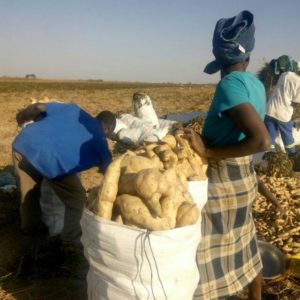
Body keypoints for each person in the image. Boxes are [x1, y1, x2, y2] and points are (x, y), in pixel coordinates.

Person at [184, 11, 271, 300]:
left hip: (224, 182)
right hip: (244, 177)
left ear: (220, 63)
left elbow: (261, 140)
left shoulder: (229, 84)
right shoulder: (254, 84)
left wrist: (208, 151)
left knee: (206, 253)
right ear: (247, 59)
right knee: (245, 242)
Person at [12, 102, 116, 252]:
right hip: (51, 161)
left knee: (29, 194)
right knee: (77, 199)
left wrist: (22, 116)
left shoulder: (73, 110)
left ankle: (30, 232)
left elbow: (37, 107)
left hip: (23, 145)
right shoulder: (101, 142)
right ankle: (70, 241)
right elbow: (110, 173)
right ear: (108, 128)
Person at [264, 65, 300, 158]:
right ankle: (292, 154)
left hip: (269, 109)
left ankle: (269, 152)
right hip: (283, 113)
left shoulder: (286, 74)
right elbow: (296, 101)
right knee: (287, 134)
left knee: (270, 132)